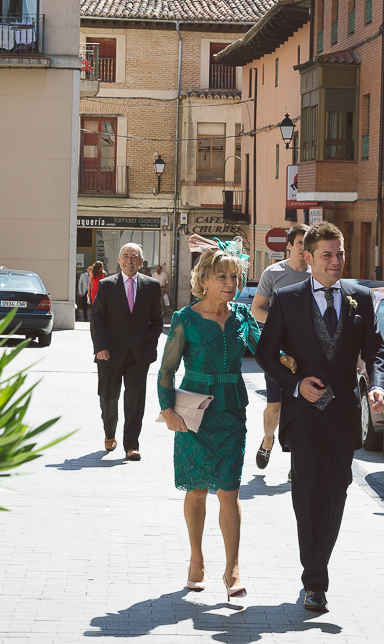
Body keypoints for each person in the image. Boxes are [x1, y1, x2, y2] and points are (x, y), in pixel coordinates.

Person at [255, 222, 384, 613]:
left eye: (341, 253)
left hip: (344, 412)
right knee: (309, 488)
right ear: (308, 258)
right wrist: (296, 384)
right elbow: (266, 353)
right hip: (304, 413)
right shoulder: (288, 298)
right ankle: (315, 580)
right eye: (327, 255)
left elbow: (375, 350)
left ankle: (318, 565)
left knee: (337, 490)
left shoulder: (360, 298)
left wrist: (377, 384)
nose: (336, 261)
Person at [158, 236, 260, 600]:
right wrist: (167, 409)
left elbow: (267, 349)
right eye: (222, 277)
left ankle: (232, 569)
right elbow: (166, 370)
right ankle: (196, 559)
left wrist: (292, 361)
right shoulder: (184, 319)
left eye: (234, 277)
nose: (229, 284)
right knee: (197, 489)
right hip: (193, 415)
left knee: (229, 491)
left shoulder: (242, 317)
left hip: (232, 413)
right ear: (203, 280)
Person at [90, 245, 163, 460]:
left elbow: (157, 321)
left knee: (135, 400)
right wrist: (100, 347)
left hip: (138, 356)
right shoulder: (106, 286)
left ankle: (131, 445)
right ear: (119, 260)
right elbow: (97, 319)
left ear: (142, 262)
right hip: (109, 354)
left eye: (134, 257)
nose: (129, 260)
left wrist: (148, 343)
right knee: (108, 397)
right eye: (125, 256)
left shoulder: (151, 286)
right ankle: (109, 433)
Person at [250, 224, 310, 472]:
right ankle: (268, 439)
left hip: (306, 352)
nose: (304, 249)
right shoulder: (273, 273)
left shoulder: (316, 274)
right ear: (290, 245)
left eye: (308, 244)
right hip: (278, 352)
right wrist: (280, 327)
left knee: (302, 406)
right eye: (299, 244)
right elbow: (256, 309)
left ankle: (296, 461)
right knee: (275, 407)